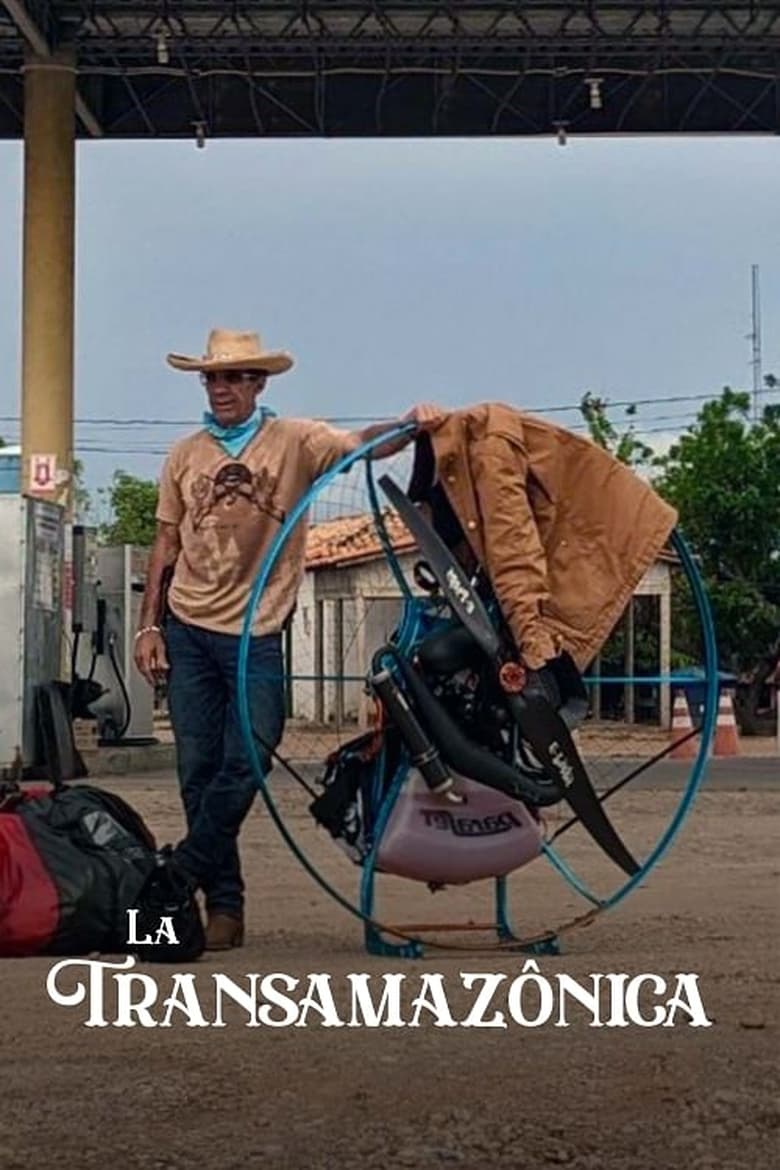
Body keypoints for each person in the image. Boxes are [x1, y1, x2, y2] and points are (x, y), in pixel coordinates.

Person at [134, 326, 443, 950]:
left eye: (232, 378)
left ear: (258, 383)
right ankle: (225, 907)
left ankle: (183, 870)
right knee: (197, 767)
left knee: (251, 751)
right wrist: (149, 624)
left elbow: (360, 446)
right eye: (212, 378)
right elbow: (165, 542)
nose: (220, 388)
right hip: (189, 624)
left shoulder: (296, 442)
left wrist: (409, 426)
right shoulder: (185, 454)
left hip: (258, 626)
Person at [405, 400, 678, 709]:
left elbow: (513, 548)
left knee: (532, 655)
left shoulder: (486, 449)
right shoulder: (446, 473)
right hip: (564, 546)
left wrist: (534, 649)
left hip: (595, 540)